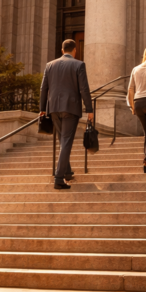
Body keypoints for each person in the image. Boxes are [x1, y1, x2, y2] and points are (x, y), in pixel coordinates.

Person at [40, 39, 94, 189]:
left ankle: (67, 171)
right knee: (66, 142)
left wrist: (42, 108)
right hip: (70, 108)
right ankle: (58, 178)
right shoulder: (79, 64)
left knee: (62, 141)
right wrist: (89, 109)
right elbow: (84, 89)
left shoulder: (49, 65)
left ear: (62, 50)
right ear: (75, 50)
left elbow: (43, 88)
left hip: (54, 108)